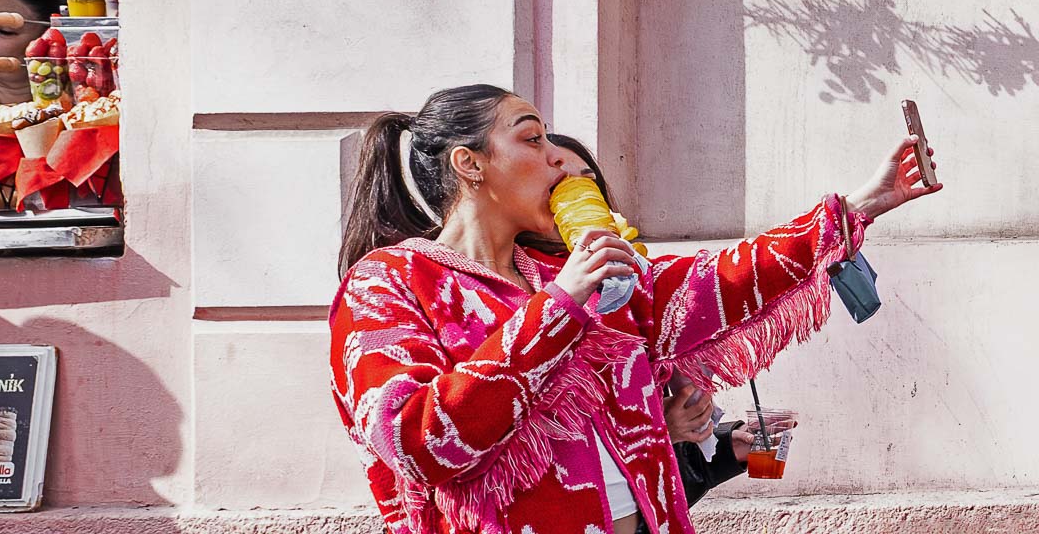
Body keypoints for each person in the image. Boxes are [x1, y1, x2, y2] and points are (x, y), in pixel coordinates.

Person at [329, 84, 941, 534]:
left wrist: (860, 204)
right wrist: (559, 305)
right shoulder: (387, 283)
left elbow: (721, 281)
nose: (556, 160)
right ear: (470, 164)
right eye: (532, 138)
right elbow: (417, 439)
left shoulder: (583, 279)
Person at [538, 132, 755, 507]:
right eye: (560, 183)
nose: (575, 186)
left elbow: (673, 466)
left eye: (586, 180)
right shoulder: (528, 298)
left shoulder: (633, 289)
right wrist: (658, 429)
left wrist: (723, 443)